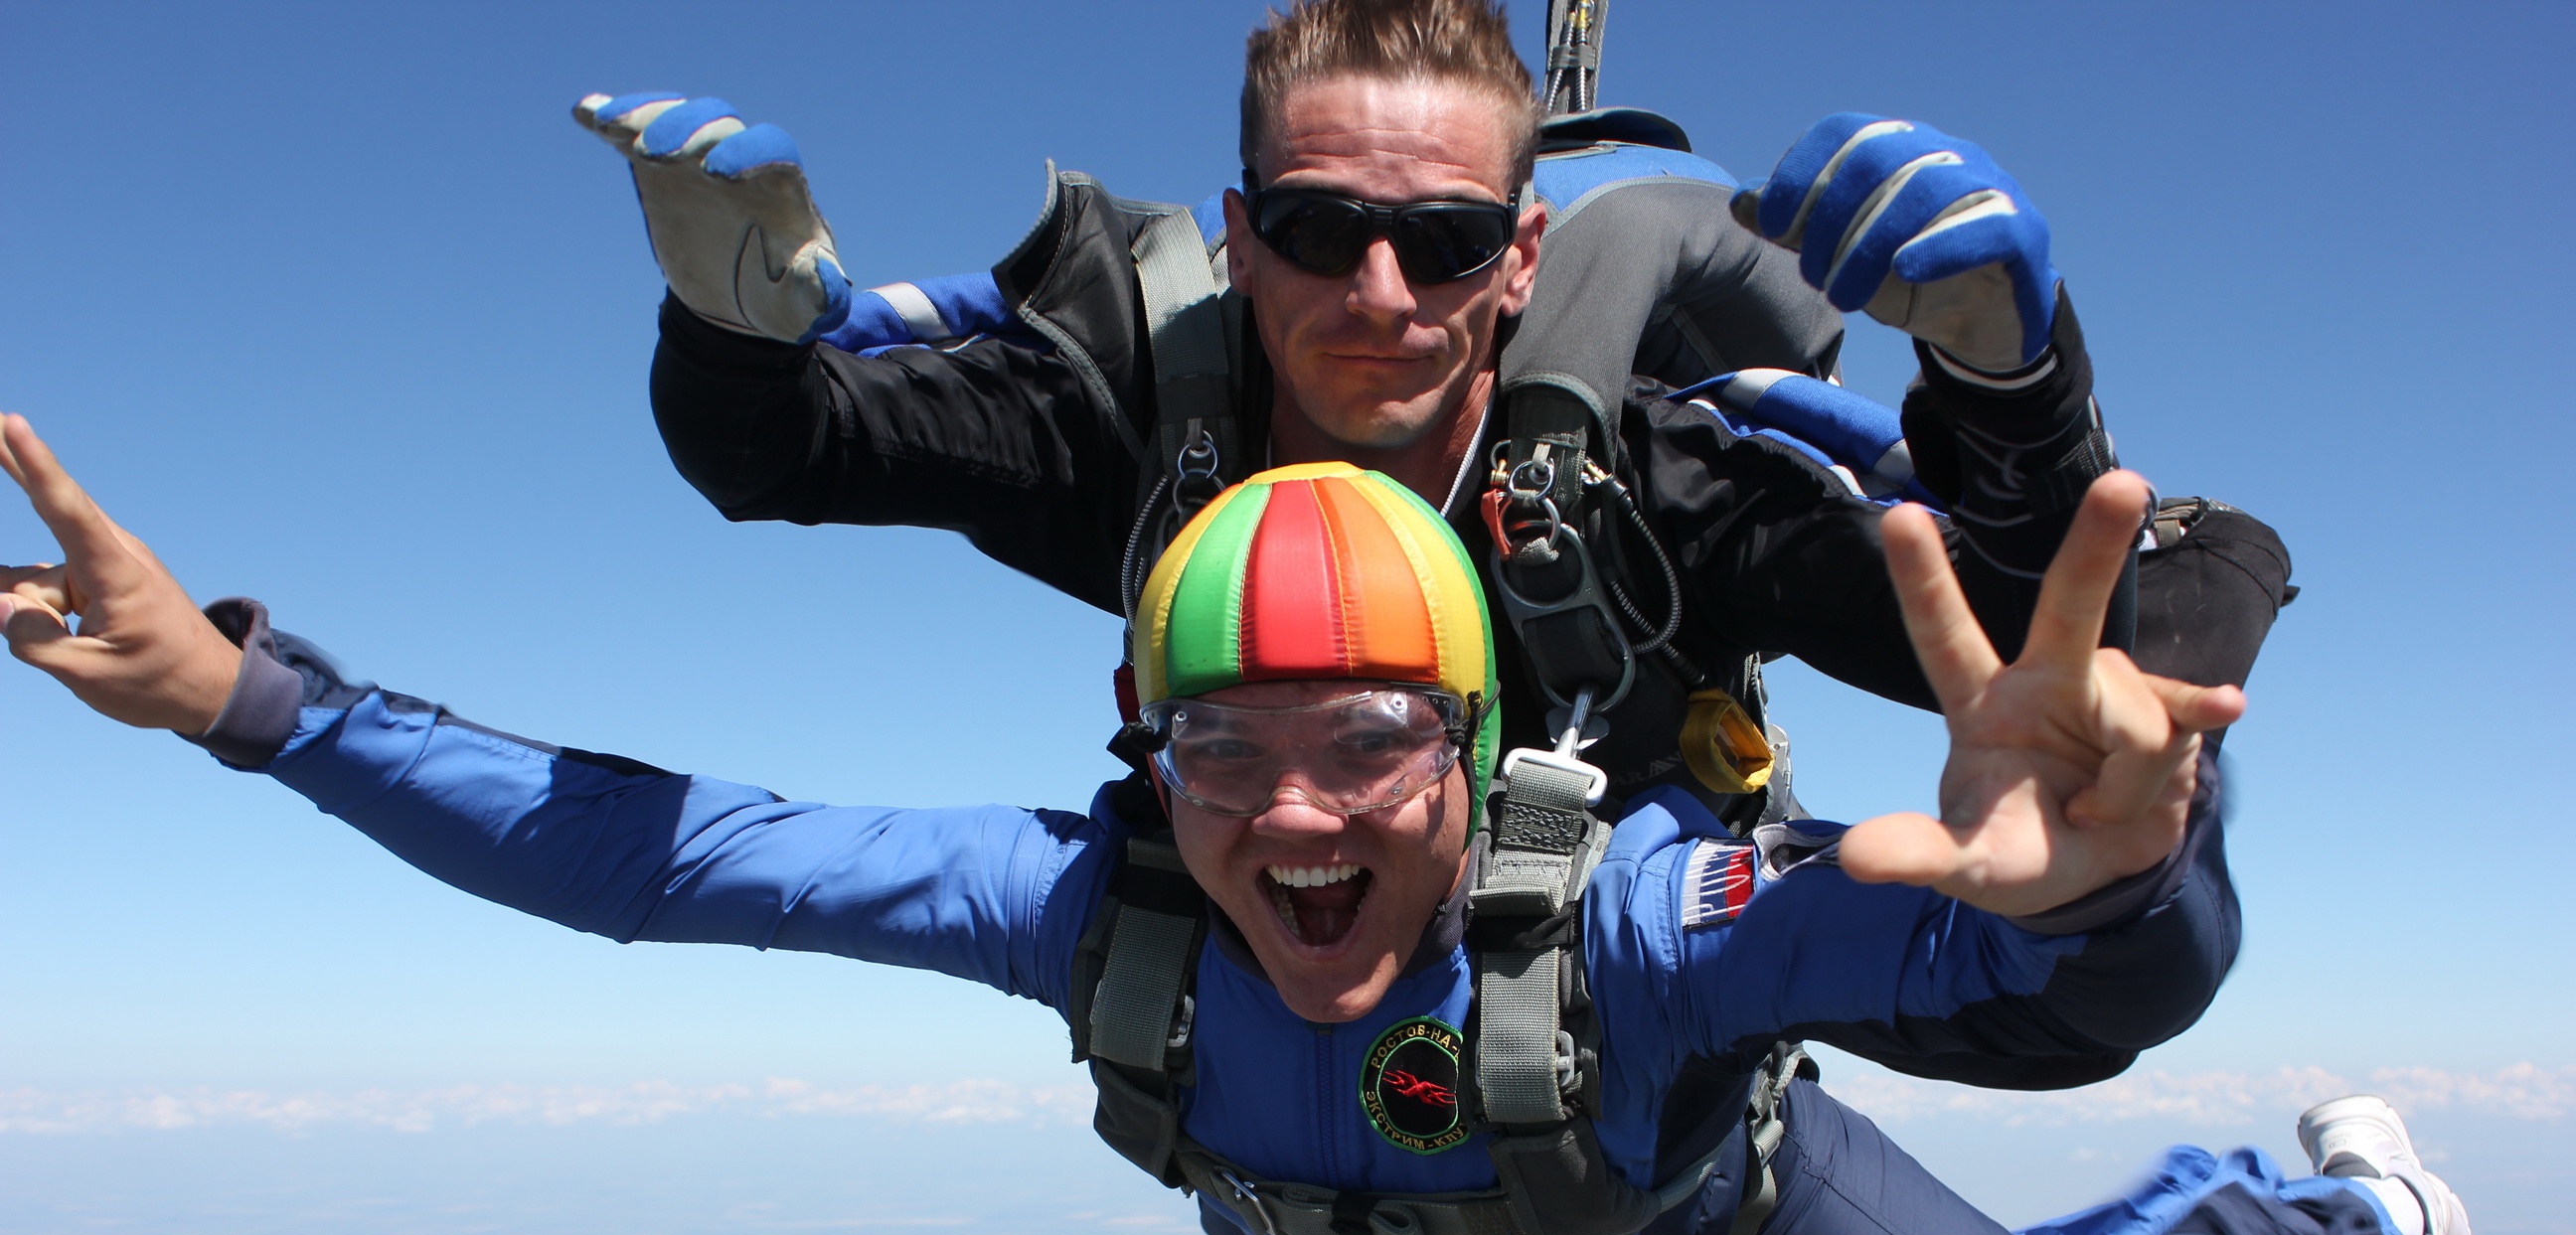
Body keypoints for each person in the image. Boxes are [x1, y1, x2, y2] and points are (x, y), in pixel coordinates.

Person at [0, 421, 2466, 1235]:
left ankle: (2343, 1204)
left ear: (1475, 750)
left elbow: (2053, 981)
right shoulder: (1095, 911)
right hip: (1541, 1223)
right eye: (1221, 744)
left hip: (1707, 1214)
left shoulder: (1637, 935)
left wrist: (2129, 870)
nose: (1289, 812)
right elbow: (667, 858)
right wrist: (251, 706)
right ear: (1146, 758)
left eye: (1369, 738)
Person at [593, 0, 2293, 823]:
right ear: (1240, 234)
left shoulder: (1634, 487)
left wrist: (2014, 384)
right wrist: (730, 331)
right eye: (1319, 229)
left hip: (1626, 972)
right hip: (1310, 999)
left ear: (1522, 257)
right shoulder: (1148, 443)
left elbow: (2018, 649)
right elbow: (786, 451)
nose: (1382, 294)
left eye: (1449, 242)